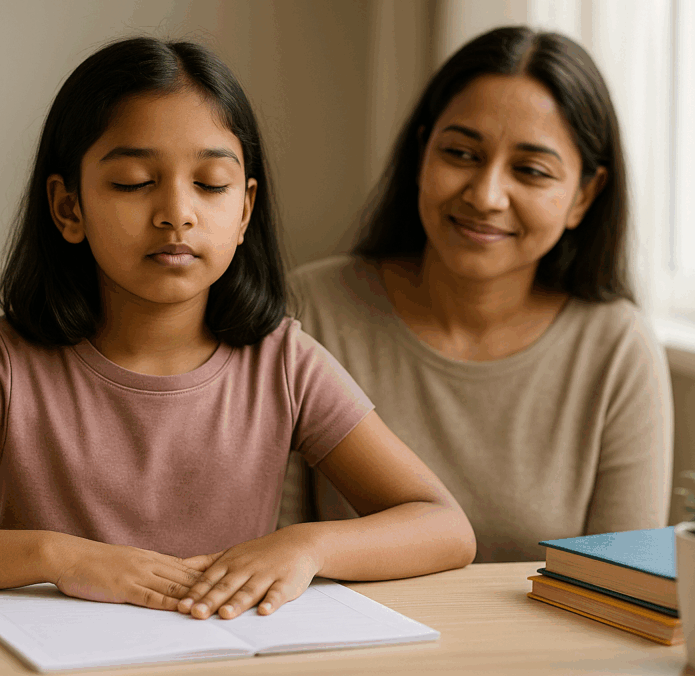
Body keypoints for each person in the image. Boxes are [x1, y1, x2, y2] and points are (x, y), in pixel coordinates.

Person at [0, 37, 475, 620]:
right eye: (135, 182)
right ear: (68, 207)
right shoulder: (3, 360)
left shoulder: (282, 360)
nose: (176, 214)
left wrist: (306, 543)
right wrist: (61, 557)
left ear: (245, 209)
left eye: (211, 184)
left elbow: (445, 526)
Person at [277, 26, 673, 562]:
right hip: (342, 646)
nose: (485, 195)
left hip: (549, 650)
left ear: (584, 196)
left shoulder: (616, 348)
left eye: (530, 171)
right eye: (461, 153)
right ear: (423, 153)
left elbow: (624, 587)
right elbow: (271, 551)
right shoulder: (311, 310)